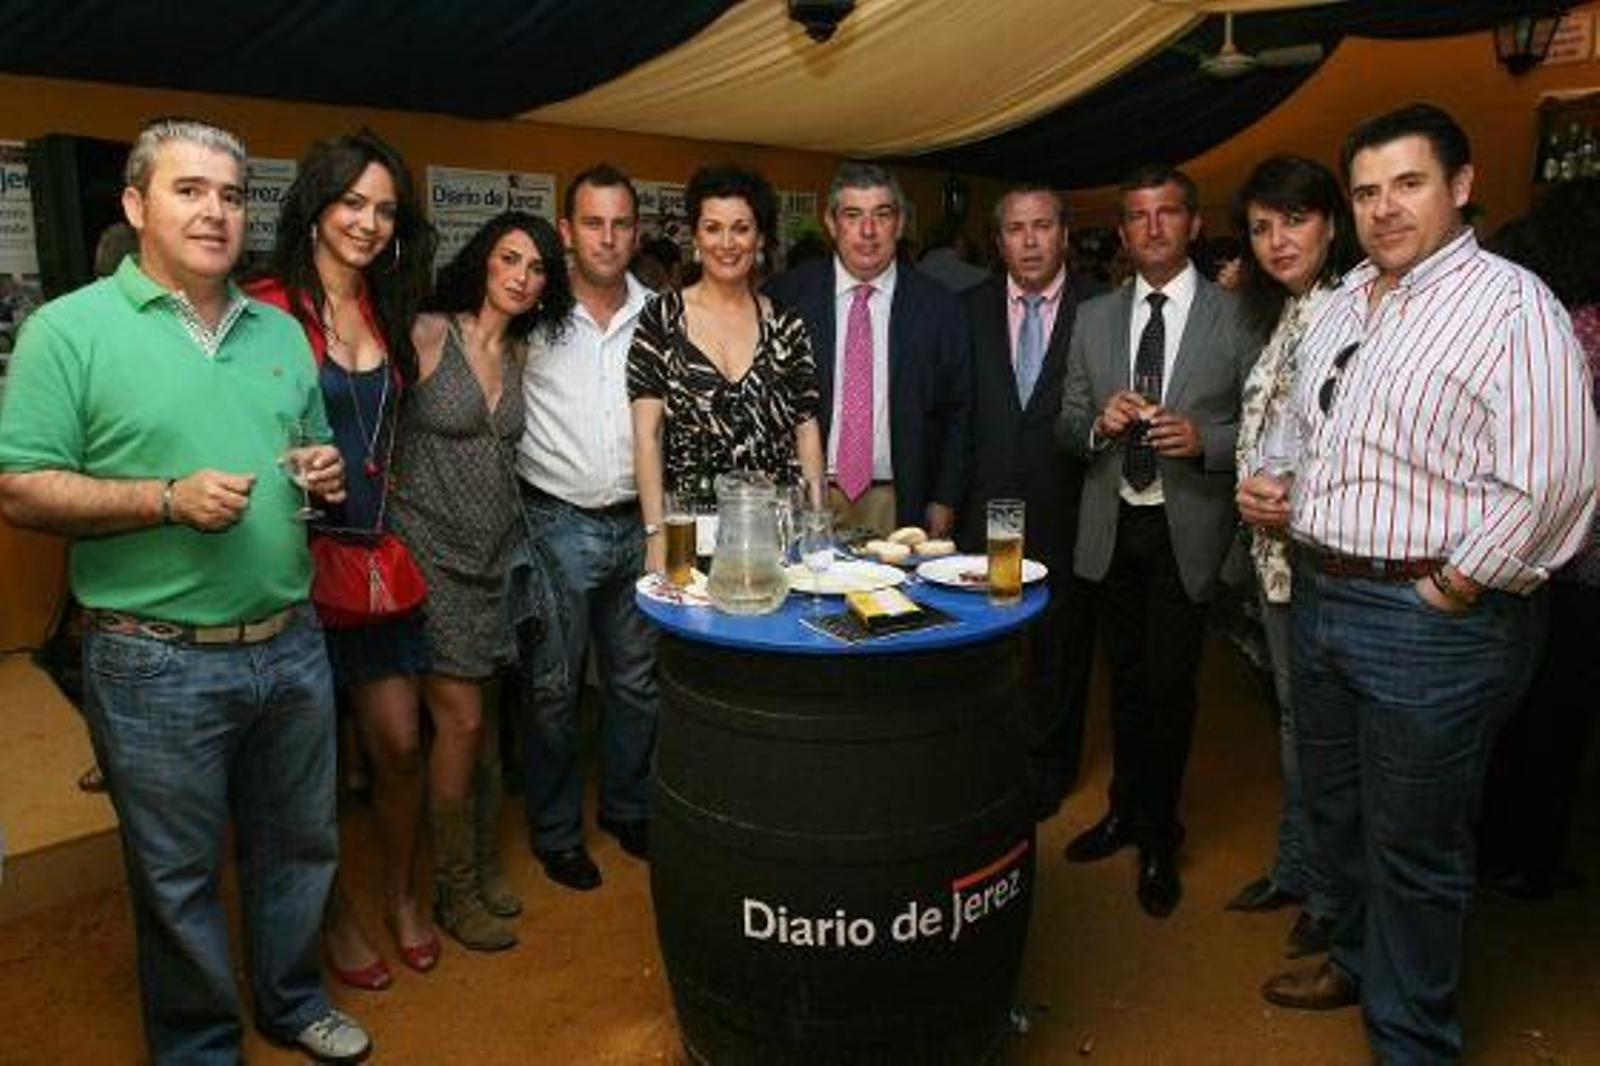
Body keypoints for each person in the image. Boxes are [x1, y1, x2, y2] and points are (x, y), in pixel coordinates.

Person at [0, 117, 370, 1064]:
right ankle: (201, 1046)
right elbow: (22, 486)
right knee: (176, 877)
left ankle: (290, 1003)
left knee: (299, 848)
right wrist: (163, 500)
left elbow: (311, 456)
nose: (215, 211)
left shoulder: (281, 331)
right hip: (152, 658)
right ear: (136, 204)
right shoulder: (68, 331)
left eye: (232, 194)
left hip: (291, 641)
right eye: (189, 190)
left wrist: (322, 473)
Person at [1252, 104, 1596, 1063]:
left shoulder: (1510, 305)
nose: (1384, 208)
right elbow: (1331, 438)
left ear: (1462, 186)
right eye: (1366, 191)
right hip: (1324, 595)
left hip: (1432, 618)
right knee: (1338, 812)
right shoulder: (1343, 304)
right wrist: (1291, 490)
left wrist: (1456, 584)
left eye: (1408, 184)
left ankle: (1411, 1039)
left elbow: (1558, 477)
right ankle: (1356, 962)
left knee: (1417, 848)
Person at [246, 129, 444, 984]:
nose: (367, 222)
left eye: (385, 209)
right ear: (317, 206)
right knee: (308, 767)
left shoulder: (390, 311)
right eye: (352, 202)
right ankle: (332, 916)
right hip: (292, 567)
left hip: (372, 560)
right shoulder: (264, 310)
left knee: (399, 744)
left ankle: (402, 894)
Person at [1057, 164, 1259, 918]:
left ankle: (1159, 835)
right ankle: (1122, 810)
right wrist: (1096, 425)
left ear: (1192, 224)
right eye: (1137, 216)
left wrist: (1206, 438)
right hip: (1114, 524)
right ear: (1122, 230)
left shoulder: (1234, 317)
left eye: (1166, 214)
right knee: (1126, 682)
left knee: (1169, 686)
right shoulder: (1098, 317)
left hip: (1188, 526)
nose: (1151, 228)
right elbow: (1067, 425)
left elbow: (1265, 426)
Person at [391, 210, 572, 950]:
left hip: (499, 557)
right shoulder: (429, 333)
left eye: (535, 269)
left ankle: (483, 863)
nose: (522, 278)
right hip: (429, 552)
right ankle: (453, 887)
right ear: (484, 260)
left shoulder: (525, 352)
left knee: (488, 720)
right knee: (461, 720)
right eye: (510, 260)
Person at [1227, 155, 1358, 960]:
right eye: (1262, 227)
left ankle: (1333, 897)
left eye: (1294, 220)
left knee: (1330, 735)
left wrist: (1294, 500)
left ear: (1331, 222)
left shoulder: (1351, 310)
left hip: (1326, 558)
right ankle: (1300, 865)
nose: (1278, 241)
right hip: (1277, 557)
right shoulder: (1290, 311)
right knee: (1296, 721)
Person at [516, 164, 659, 892]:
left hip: (641, 524)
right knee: (554, 688)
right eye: (592, 223)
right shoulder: (531, 312)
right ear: (566, 230)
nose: (608, 238)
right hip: (553, 522)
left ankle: (629, 808)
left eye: (621, 223)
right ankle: (557, 830)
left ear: (637, 232)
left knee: (636, 684)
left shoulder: (661, 313)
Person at [960, 183, 1104, 820]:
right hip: (984, 504)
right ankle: (986, 759)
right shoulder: (966, 308)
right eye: (1016, 229)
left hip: (1068, 503)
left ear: (1064, 234)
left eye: (1042, 226)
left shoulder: (1103, 309)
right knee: (984, 641)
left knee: (1058, 647)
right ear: (999, 241)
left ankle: (1049, 770)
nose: (1029, 240)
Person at [1477, 179, 1600, 901]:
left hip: (1520, 550)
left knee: (1516, 706)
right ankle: (1532, 857)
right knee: (1558, 713)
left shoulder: (1535, 319)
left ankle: (1496, 844)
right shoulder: (1584, 330)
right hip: (1579, 558)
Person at [766, 161, 972, 535]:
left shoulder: (938, 306)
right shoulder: (786, 296)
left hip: (899, 500)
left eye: (882, 214)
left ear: (900, 223)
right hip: (809, 499)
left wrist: (945, 498)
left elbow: (960, 410)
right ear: (831, 224)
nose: (868, 231)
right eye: (852, 215)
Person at [631, 162, 825, 551]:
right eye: (713, 228)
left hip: (776, 536)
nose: (727, 243)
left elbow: (806, 432)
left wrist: (817, 528)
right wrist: (655, 534)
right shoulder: (662, 318)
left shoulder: (786, 324)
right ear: (696, 238)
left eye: (741, 228)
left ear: (760, 240)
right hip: (690, 533)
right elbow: (646, 436)